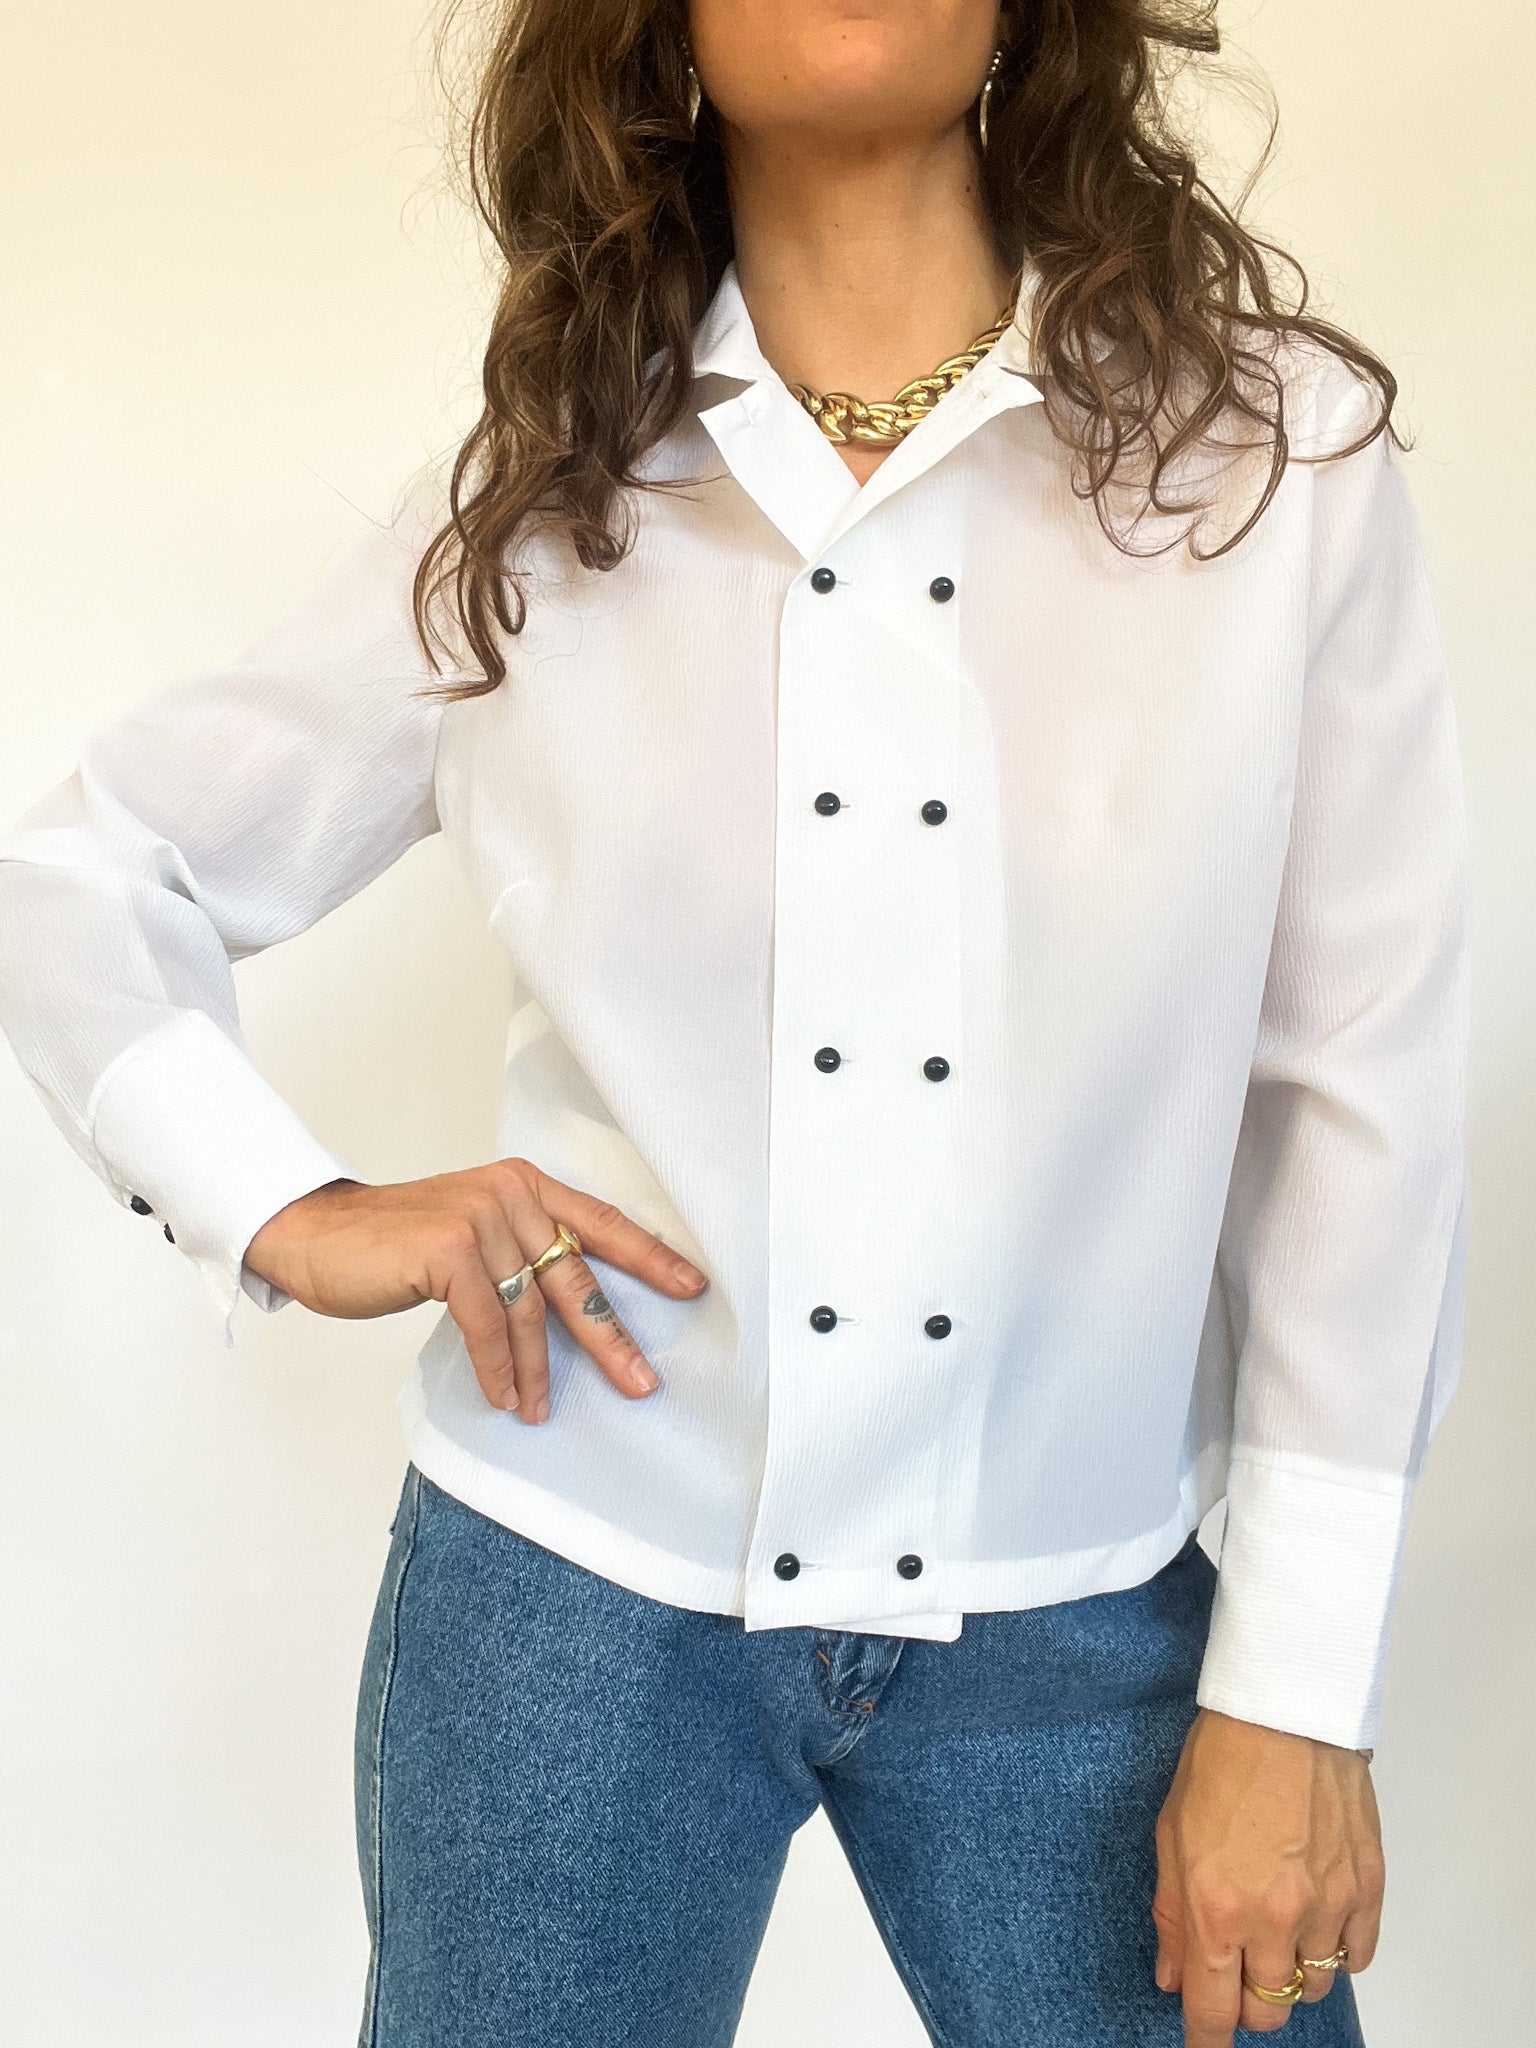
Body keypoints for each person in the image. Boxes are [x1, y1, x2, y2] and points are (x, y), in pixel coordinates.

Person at [0, 3, 1469, 2045]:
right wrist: (284, 1204)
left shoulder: (1272, 463)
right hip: (569, 1600)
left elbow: (1361, 1082)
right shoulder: (539, 502)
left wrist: (1298, 1689)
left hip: (1087, 1609)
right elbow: (90, 868)